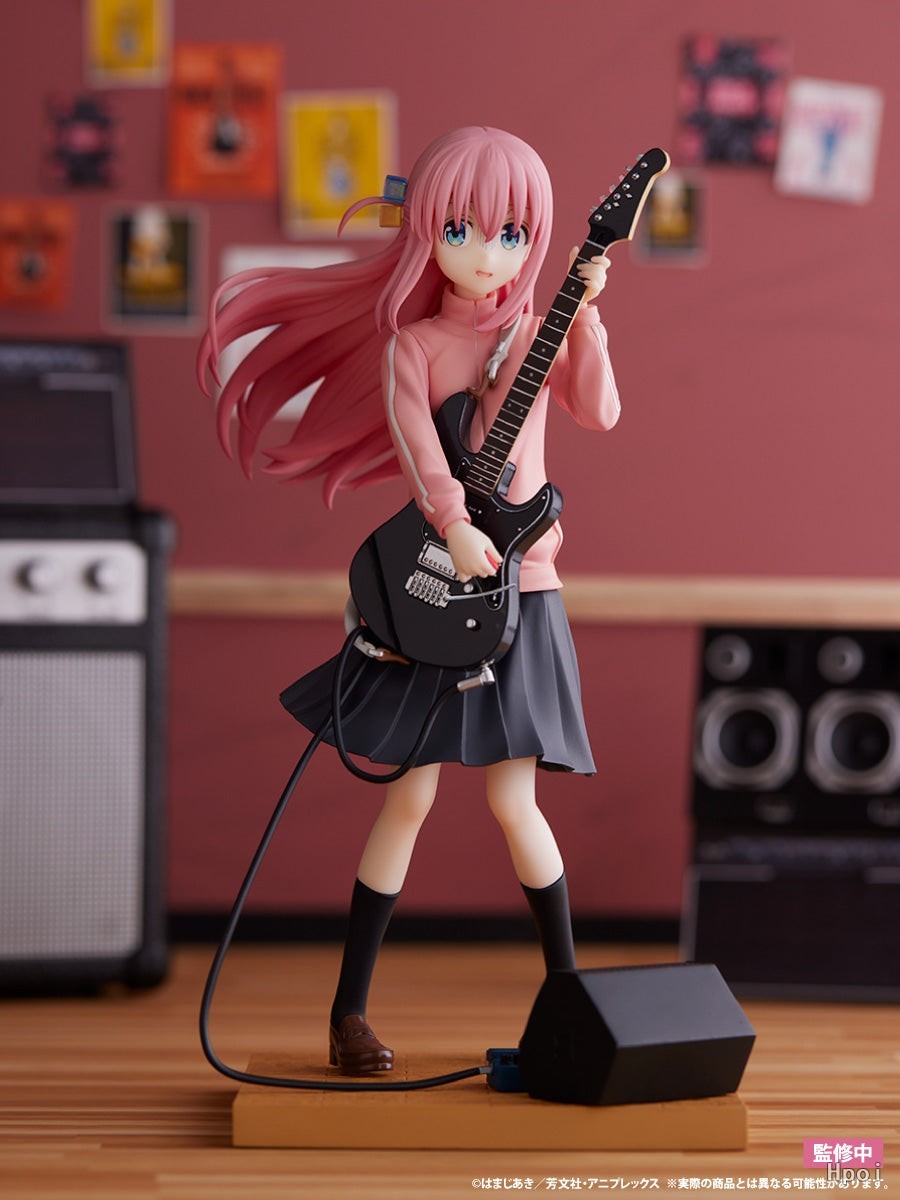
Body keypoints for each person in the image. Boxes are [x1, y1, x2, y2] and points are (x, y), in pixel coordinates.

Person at [198, 125, 620, 1075]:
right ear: (427, 230)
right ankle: (348, 1011)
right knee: (407, 797)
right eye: (462, 231)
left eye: (512, 234)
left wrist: (586, 318)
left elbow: (600, 411)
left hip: (523, 589)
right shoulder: (414, 347)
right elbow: (423, 452)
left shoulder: (536, 332)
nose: (487, 255)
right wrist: (454, 523)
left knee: (517, 802)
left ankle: (570, 998)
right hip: (431, 584)